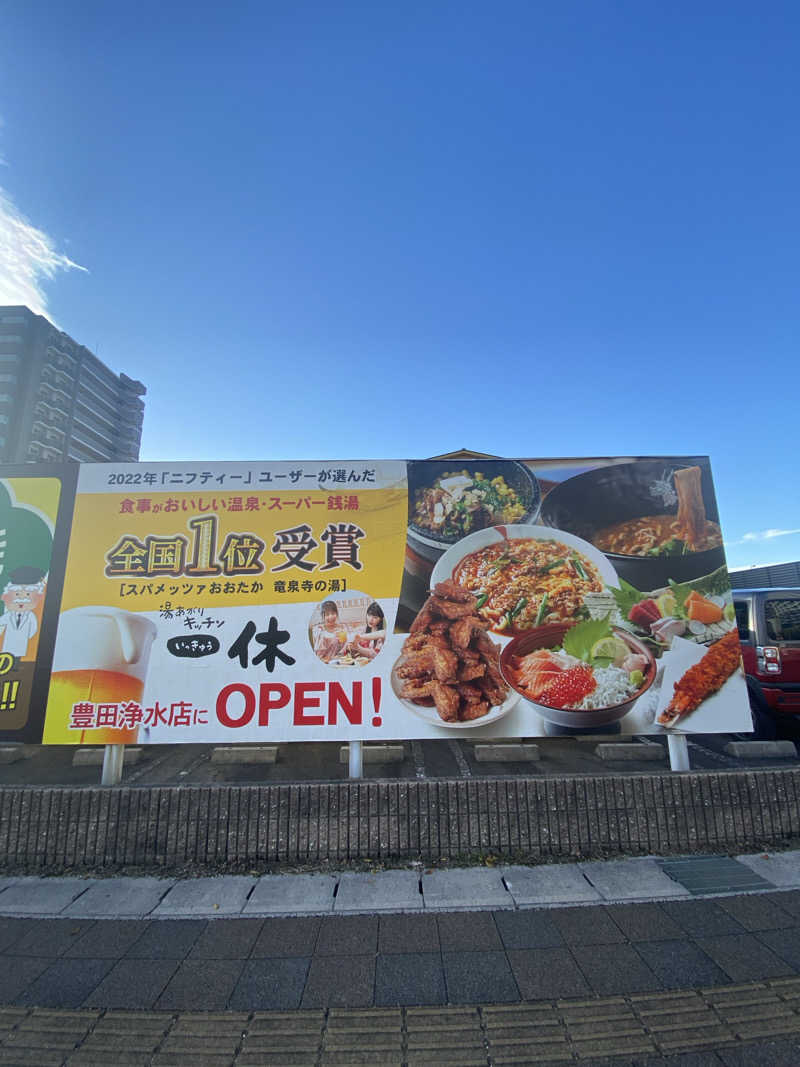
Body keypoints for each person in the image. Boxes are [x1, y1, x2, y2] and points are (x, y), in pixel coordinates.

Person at [0, 566, 46, 662]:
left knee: (18, 658)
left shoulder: (30, 616)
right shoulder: (9, 615)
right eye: (17, 594)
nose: (21, 598)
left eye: (28, 594)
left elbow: (34, 628)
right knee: (7, 656)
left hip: (22, 642)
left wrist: (26, 636)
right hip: (8, 643)